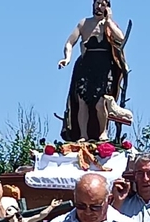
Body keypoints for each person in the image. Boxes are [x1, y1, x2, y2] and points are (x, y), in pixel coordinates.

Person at [58, 0, 128, 142]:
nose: (98, 6)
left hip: (104, 68)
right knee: (82, 101)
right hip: (85, 65)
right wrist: (67, 58)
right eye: (97, 3)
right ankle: (83, 134)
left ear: (107, 7)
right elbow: (70, 42)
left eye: (102, 4)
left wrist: (108, 20)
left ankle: (103, 132)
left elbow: (121, 38)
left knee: (101, 102)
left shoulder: (109, 25)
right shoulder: (84, 23)